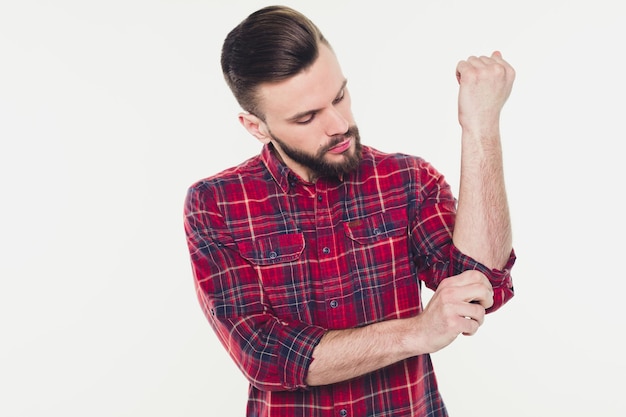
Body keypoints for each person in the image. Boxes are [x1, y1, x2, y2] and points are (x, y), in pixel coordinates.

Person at [183, 5, 516, 417]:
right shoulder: (215, 204)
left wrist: (481, 126)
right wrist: (417, 333)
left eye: (339, 95)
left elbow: (480, 286)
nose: (339, 124)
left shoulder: (407, 179)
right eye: (307, 117)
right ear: (257, 127)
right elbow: (263, 353)